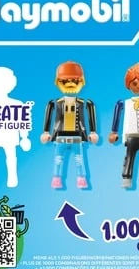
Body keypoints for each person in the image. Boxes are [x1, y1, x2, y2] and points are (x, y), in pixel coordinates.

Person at [41, 61, 98, 189]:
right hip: (60, 137)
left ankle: (81, 178)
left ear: (82, 81)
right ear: (57, 82)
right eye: (65, 81)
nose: (70, 84)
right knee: (58, 159)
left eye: (75, 80)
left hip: (77, 138)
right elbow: (49, 115)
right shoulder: (55, 103)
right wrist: (46, 132)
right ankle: (56, 178)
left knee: (79, 159)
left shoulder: (84, 103)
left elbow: (90, 113)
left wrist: (93, 132)